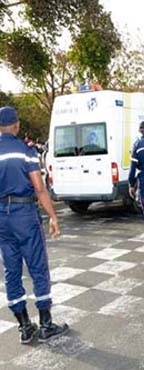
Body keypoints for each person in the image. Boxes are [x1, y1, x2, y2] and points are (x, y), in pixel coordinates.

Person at [0, 106, 69, 344]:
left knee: (11, 271)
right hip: (25, 215)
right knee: (38, 267)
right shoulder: (25, 151)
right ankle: (46, 323)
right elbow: (39, 188)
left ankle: (24, 327)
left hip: (2, 218)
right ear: (17, 125)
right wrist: (54, 216)